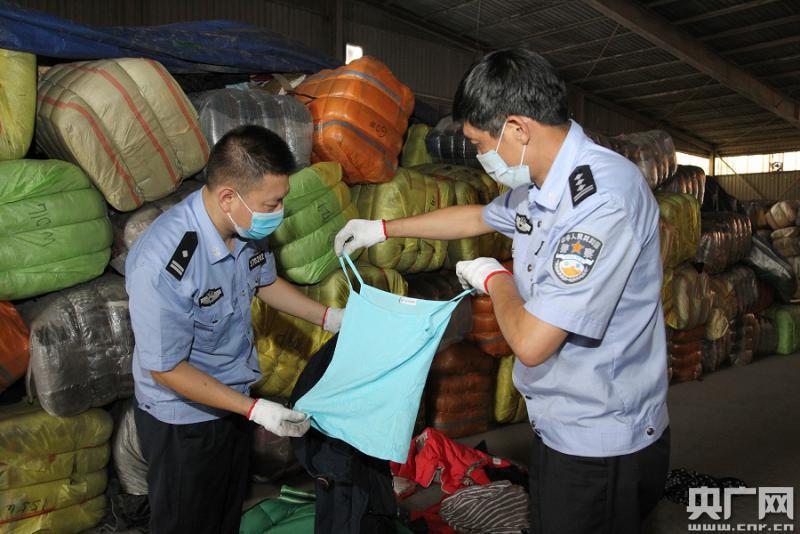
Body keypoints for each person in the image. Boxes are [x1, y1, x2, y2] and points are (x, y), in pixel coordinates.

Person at [335, 48, 670, 534]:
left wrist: (497, 279)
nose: (481, 157)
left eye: (479, 143)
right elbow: (474, 216)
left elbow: (532, 344)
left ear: (517, 128)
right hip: (562, 424)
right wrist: (382, 229)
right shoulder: (543, 185)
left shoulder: (599, 200)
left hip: (602, 439)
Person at [126, 125, 344, 534]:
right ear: (229, 196)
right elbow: (166, 369)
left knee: (225, 515)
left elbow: (265, 282)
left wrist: (329, 318)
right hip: (182, 420)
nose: (278, 212)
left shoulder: (243, 229)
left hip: (232, 401)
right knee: (185, 524)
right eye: (272, 203)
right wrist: (257, 410)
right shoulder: (164, 261)